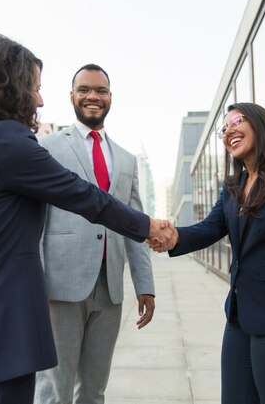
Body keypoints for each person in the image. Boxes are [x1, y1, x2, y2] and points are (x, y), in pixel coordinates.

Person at [0, 32, 171, 404]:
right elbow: (83, 196)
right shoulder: (7, 139)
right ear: (6, 86)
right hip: (4, 346)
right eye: (34, 88)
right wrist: (148, 226)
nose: (39, 99)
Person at [149, 102, 265, 404]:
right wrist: (174, 236)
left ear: (260, 124)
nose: (228, 130)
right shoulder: (234, 186)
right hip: (240, 319)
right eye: (224, 128)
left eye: (237, 121)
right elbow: (209, 228)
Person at [34, 64, 155, 404]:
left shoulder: (127, 159)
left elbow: (135, 224)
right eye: (84, 89)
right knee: (53, 389)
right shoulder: (47, 147)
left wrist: (145, 284)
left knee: (94, 390)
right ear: (72, 96)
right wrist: (37, 283)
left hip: (109, 290)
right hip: (60, 288)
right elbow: (36, 221)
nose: (93, 96)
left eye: (100, 91)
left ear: (110, 98)